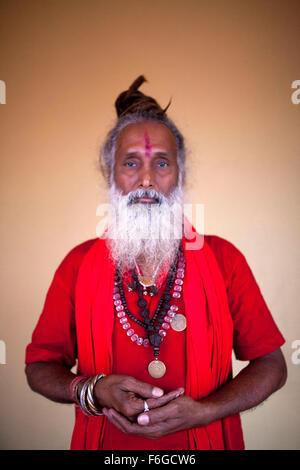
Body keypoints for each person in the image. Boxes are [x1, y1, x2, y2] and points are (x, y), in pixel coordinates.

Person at [25, 76, 287, 450]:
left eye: (161, 163)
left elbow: (272, 364)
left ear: (181, 174)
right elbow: (39, 365)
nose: (146, 179)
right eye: (131, 163)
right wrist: (92, 390)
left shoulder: (225, 259)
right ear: (109, 174)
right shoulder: (78, 264)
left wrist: (206, 411)